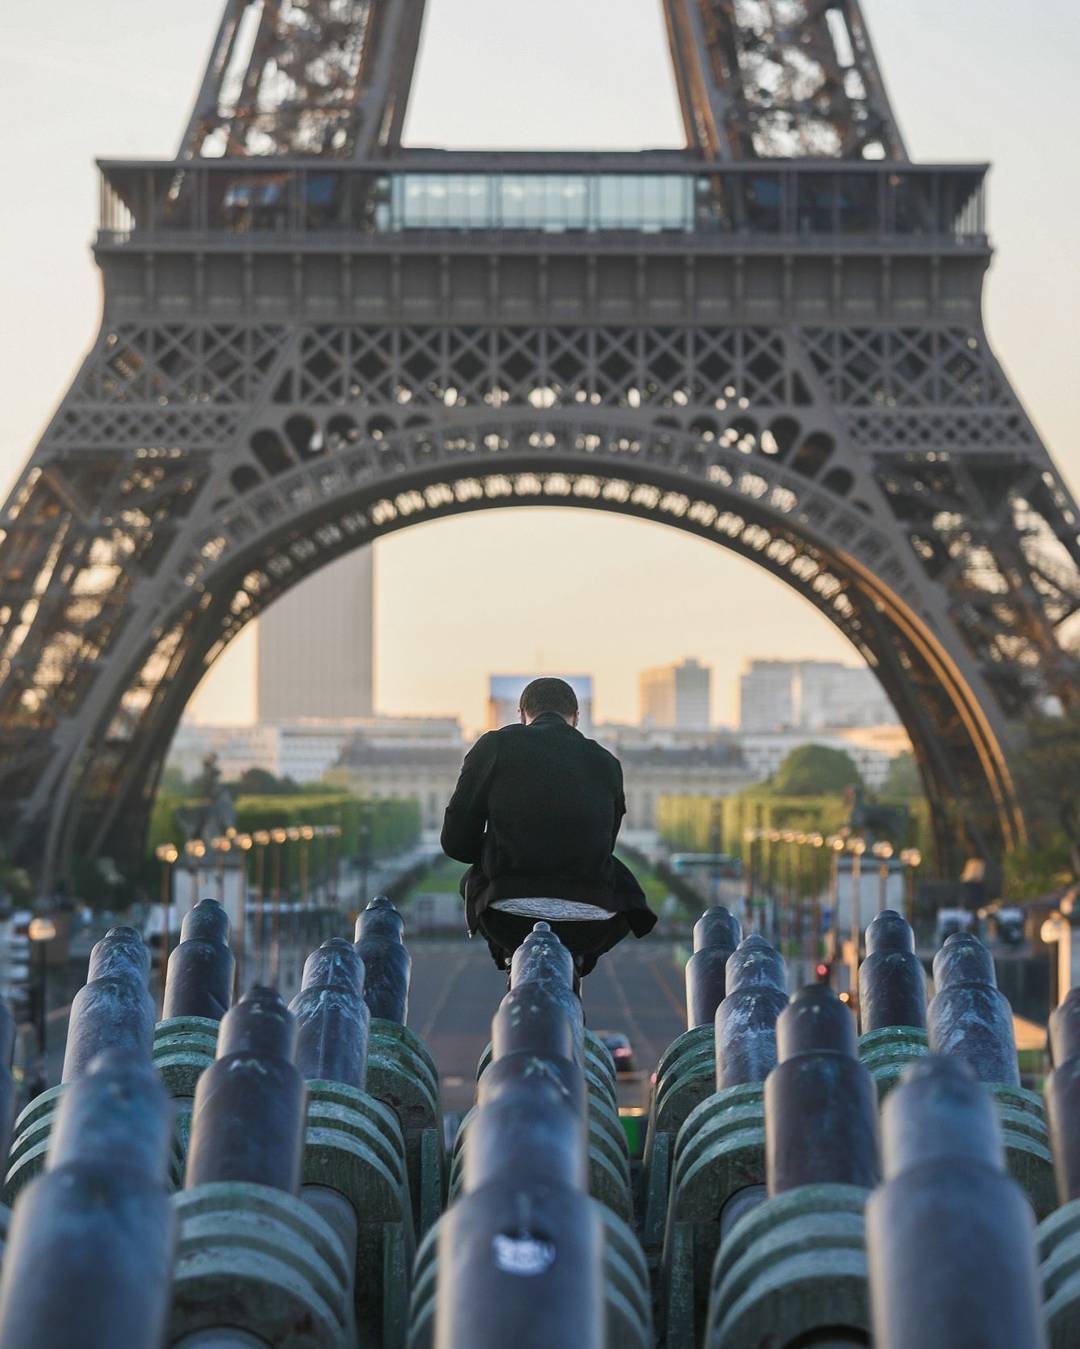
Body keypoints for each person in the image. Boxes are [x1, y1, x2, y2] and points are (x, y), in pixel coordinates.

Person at [441, 677, 656, 980]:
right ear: (576, 719)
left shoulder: (494, 746)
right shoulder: (606, 761)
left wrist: (503, 844)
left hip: (507, 916)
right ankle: (576, 972)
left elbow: (455, 843)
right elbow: (603, 844)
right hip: (592, 922)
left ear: (521, 714)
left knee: (473, 879)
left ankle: (508, 962)